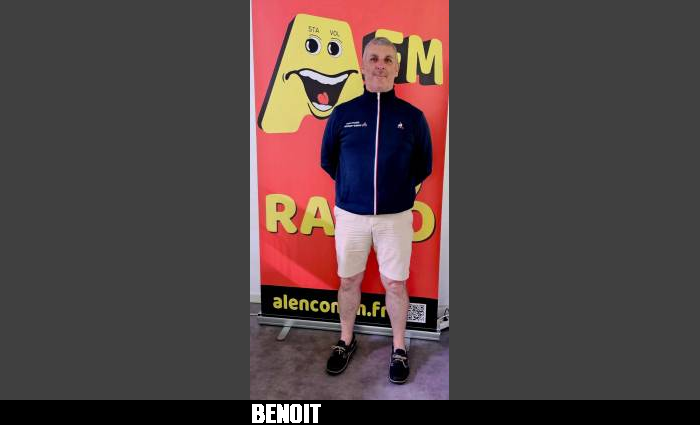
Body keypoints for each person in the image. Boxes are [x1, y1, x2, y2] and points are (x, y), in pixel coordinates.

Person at [320, 37, 432, 384]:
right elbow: (328, 160)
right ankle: (345, 340)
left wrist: (393, 191)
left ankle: (399, 347)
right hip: (351, 215)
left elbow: (423, 165)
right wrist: (353, 189)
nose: (380, 65)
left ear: (396, 68)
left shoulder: (412, 117)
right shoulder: (343, 114)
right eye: (373, 58)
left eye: (387, 59)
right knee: (348, 280)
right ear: (362, 65)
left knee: (395, 284)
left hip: (395, 217)